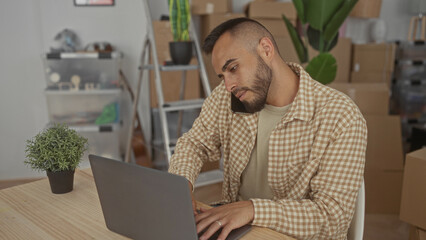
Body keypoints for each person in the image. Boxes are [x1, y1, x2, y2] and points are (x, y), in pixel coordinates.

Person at [168, 18, 367, 240]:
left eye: (233, 68)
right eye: (222, 76)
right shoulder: (226, 99)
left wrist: (253, 210)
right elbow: (194, 144)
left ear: (266, 49)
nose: (228, 85)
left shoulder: (341, 116)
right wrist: (180, 184)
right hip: (237, 233)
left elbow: (331, 218)